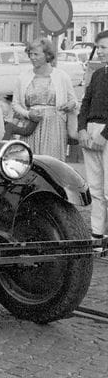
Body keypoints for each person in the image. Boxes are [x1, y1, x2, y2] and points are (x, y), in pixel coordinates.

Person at [11, 37, 77, 160]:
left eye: (36, 54)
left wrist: (70, 105)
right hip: (30, 126)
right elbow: (15, 104)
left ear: (47, 55)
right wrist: (28, 114)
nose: (32, 57)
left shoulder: (61, 76)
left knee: (52, 163)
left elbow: (73, 100)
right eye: (30, 54)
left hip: (55, 125)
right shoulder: (23, 77)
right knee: (30, 162)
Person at [77, 29, 108, 240]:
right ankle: (97, 235)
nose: (100, 52)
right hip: (91, 131)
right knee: (95, 188)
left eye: (104, 47)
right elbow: (85, 103)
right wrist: (82, 129)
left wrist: (105, 134)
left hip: (105, 133)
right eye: (99, 48)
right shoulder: (98, 74)